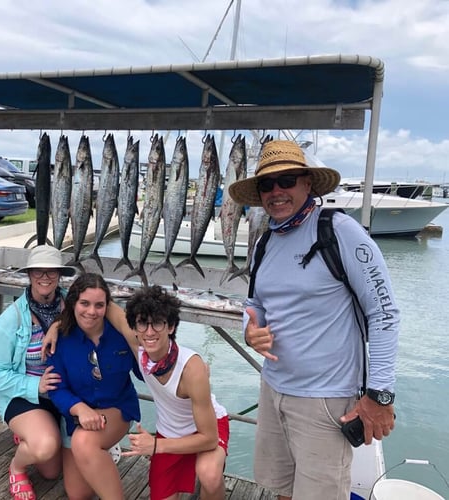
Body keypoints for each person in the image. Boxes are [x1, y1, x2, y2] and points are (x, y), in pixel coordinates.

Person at [227, 140, 400, 499]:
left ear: (308, 183)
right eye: (267, 185)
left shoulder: (339, 231)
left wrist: (379, 396)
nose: (276, 191)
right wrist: (249, 331)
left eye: (287, 180)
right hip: (273, 390)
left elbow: (384, 312)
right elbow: (254, 302)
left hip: (326, 400)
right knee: (280, 489)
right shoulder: (264, 242)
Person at [107, 286, 229, 500]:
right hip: (169, 432)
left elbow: (209, 438)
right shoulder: (139, 348)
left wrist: (155, 446)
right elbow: (107, 306)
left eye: (158, 323)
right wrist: (57, 326)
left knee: (209, 475)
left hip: (207, 428)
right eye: (142, 322)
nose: (150, 331)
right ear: (135, 327)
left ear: (171, 326)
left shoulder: (192, 369)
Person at [0, 245, 77, 499]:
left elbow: (104, 305)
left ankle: (34, 433)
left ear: (60, 276)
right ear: (29, 274)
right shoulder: (12, 318)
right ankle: (17, 466)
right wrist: (35, 386)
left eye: (51, 272)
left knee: (53, 472)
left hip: (66, 396)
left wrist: (58, 323)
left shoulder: (75, 306)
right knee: (45, 449)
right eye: (38, 271)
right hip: (26, 397)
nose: (45, 277)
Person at [47, 273, 141, 500]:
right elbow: (56, 387)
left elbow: (146, 372)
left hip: (116, 408)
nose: (91, 312)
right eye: (85, 303)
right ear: (73, 304)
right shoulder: (61, 337)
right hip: (78, 417)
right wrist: (78, 408)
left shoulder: (121, 334)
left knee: (84, 441)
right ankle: (101, 453)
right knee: (79, 493)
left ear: (108, 307)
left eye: (99, 305)